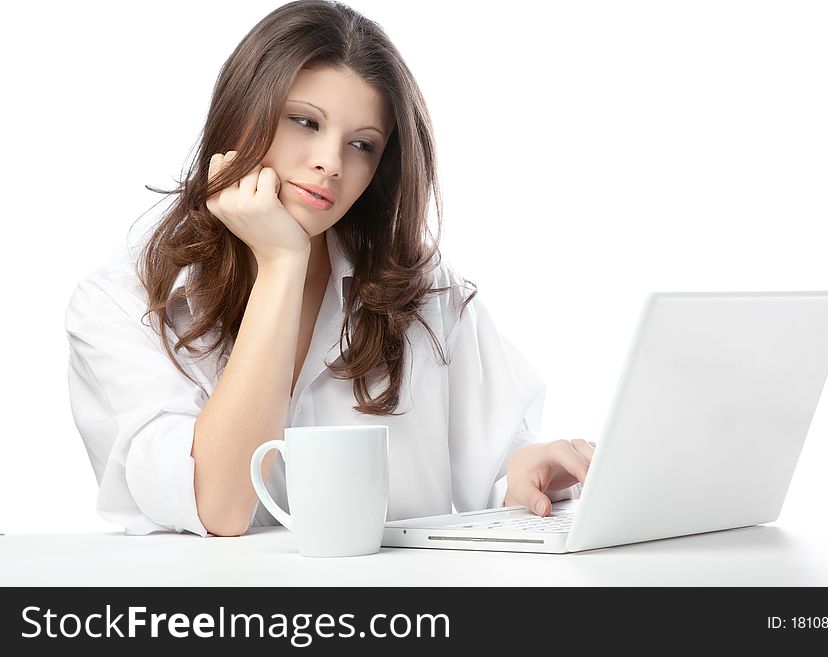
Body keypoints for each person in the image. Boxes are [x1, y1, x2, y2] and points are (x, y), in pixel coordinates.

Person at [64, 0, 594, 538]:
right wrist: (281, 264)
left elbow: (502, 457)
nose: (332, 163)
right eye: (304, 121)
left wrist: (525, 468)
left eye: (362, 145)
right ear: (241, 112)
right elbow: (217, 506)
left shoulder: (421, 286)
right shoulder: (122, 303)